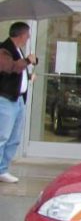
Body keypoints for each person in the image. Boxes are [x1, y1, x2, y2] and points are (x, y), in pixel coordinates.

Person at [0, 22, 37, 183]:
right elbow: (11, 67)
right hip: (6, 99)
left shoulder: (17, 50)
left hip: (18, 99)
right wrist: (27, 60)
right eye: (27, 34)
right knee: (2, 136)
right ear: (21, 35)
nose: (28, 37)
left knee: (14, 138)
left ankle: (2, 169)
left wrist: (28, 77)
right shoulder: (4, 49)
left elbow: (17, 74)